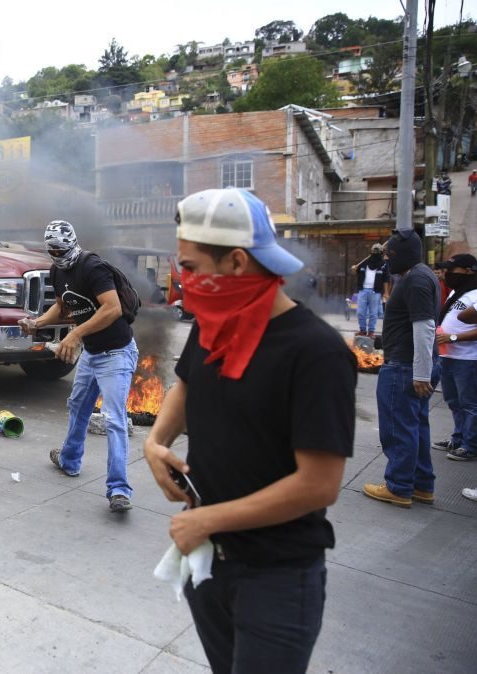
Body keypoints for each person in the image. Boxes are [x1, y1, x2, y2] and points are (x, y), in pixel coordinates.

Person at [144, 188, 356, 673]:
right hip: (209, 562)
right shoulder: (213, 324)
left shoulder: (316, 352)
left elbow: (319, 484)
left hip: (277, 577)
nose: (184, 279)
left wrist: (207, 520)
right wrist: (155, 442)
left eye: (191, 267)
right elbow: (187, 385)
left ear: (237, 262)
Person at [20, 220, 139, 512]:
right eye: (52, 251)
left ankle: (119, 490)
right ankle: (69, 461)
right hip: (93, 352)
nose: (58, 255)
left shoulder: (92, 267)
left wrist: (74, 334)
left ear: (73, 242)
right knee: (78, 406)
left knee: (113, 419)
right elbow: (62, 307)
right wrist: (37, 323)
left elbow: (112, 308)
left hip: (116, 353)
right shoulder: (57, 271)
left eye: (62, 249)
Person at [363, 230, 441, 507]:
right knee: (415, 427)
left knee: (398, 429)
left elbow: (424, 328)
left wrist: (421, 373)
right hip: (410, 364)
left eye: (389, 254)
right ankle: (421, 485)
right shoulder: (420, 275)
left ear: (403, 254)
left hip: (404, 367)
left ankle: (398, 486)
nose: (386, 259)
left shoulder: (417, 280)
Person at [432, 254, 477, 461]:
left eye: (452, 269)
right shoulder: (458, 292)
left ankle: (471, 445)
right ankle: (458, 438)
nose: (447, 273)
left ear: (469, 271)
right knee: (454, 400)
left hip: (468, 358)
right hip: (449, 355)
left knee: (470, 403)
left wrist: (453, 336)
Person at [350, 243, 389, 337]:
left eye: (377, 251)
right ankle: (362, 330)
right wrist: (353, 269)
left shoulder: (383, 265)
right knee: (360, 312)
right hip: (363, 290)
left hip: (375, 292)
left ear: (380, 253)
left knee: (373, 313)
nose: (375, 253)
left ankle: (371, 331)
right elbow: (354, 272)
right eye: (374, 251)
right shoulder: (364, 263)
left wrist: (386, 293)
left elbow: (386, 280)